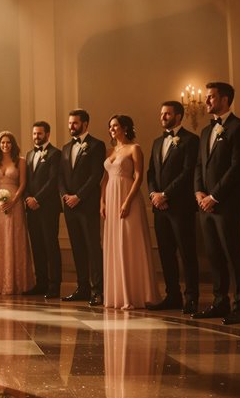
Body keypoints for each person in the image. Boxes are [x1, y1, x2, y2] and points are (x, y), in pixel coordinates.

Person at [192, 82, 240, 325]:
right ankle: (219, 301)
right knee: (213, 254)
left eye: (211, 97)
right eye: (206, 97)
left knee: (232, 253)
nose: (206, 102)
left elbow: (237, 168)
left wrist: (214, 196)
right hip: (204, 203)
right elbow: (199, 164)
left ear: (225, 99)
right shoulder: (206, 131)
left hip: (228, 203)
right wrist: (198, 192)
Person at [145, 101, 200, 314]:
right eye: (161, 113)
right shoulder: (158, 142)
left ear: (179, 116)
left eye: (167, 114)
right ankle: (172, 295)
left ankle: (192, 296)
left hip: (180, 206)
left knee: (187, 253)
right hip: (159, 208)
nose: (163, 117)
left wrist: (166, 194)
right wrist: (153, 195)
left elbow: (187, 172)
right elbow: (151, 173)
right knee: (166, 253)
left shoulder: (190, 140)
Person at [101, 116, 158, 310]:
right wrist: (102, 201)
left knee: (128, 243)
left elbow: (139, 176)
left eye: (115, 125)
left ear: (125, 128)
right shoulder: (110, 151)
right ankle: (117, 294)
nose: (112, 129)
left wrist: (127, 201)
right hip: (110, 198)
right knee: (114, 244)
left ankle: (133, 295)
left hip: (128, 198)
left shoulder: (135, 148)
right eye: (110, 126)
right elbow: (104, 180)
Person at [58, 109, 106, 306]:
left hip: (87, 204)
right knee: (77, 247)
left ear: (85, 124)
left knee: (93, 248)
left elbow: (96, 175)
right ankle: (82, 288)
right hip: (69, 205)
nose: (71, 126)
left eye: (75, 123)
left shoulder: (96, 145)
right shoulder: (66, 147)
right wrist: (65, 195)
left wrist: (79, 196)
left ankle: (98, 291)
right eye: (70, 123)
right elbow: (60, 176)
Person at [0, 131, 34, 294]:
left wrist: (13, 200)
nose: (5, 145)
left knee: (15, 239)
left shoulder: (20, 161)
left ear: (13, 145)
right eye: (2, 143)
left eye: (8, 143)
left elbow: (23, 183)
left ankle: (17, 283)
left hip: (15, 203)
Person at [23, 121, 63, 299]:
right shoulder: (29, 154)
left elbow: (53, 180)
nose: (36, 137)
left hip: (48, 207)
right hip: (31, 208)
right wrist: (28, 198)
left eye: (39, 134)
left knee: (50, 246)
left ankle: (54, 286)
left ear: (47, 134)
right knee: (37, 246)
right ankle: (41, 284)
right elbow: (26, 181)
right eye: (34, 134)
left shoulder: (56, 154)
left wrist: (37, 199)